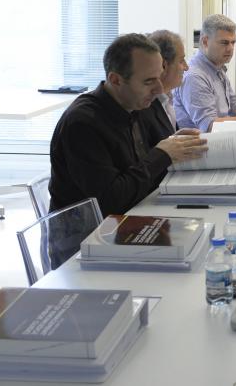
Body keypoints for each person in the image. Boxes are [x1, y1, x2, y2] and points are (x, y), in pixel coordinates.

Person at [48, 33, 208, 265]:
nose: (159, 89)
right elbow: (111, 200)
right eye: (148, 81)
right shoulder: (83, 124)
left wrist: (174, 147)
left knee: (203, 244)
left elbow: (140, 176)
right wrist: (162, 154)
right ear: (115, 80)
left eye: (159, 77)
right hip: (85, 243)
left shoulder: (133, 105)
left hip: (126, 223)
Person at [142, 29, 188, 140]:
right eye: (181, 61)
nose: (187, 67)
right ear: (164, 65)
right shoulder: (144, 105)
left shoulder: (167, 99)